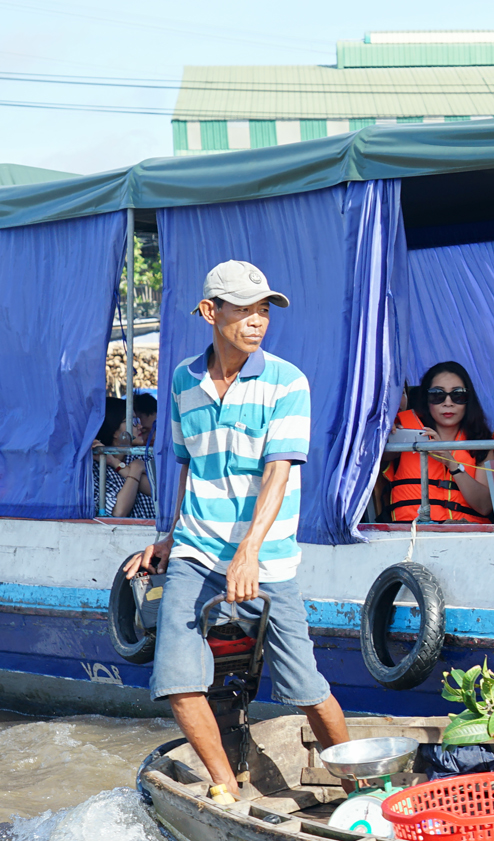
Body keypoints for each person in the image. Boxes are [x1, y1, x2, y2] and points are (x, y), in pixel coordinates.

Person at [123, 260, 348, 803]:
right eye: (244, 309)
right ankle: (225, 785)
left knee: (304, 688)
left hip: (267, 560)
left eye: (264, 309)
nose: (257, 320)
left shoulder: (287, 382)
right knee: (177, 681)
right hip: (197, 554)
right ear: (210, 312)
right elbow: (189, 466)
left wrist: (247, 553)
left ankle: (361, 786)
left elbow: (278, 471)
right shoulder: (182, 380)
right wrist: (171, 535)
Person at [382, 361, 493, 523]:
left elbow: (484, 506)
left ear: (468, 399)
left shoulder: (481, 441)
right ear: (426, 399)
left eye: (458, 395)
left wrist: (452, 464)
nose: (448, 403)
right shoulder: (401, 429)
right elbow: (370, 458)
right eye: (437, 395)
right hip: (409, 534)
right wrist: (383, 431)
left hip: (467, 536)